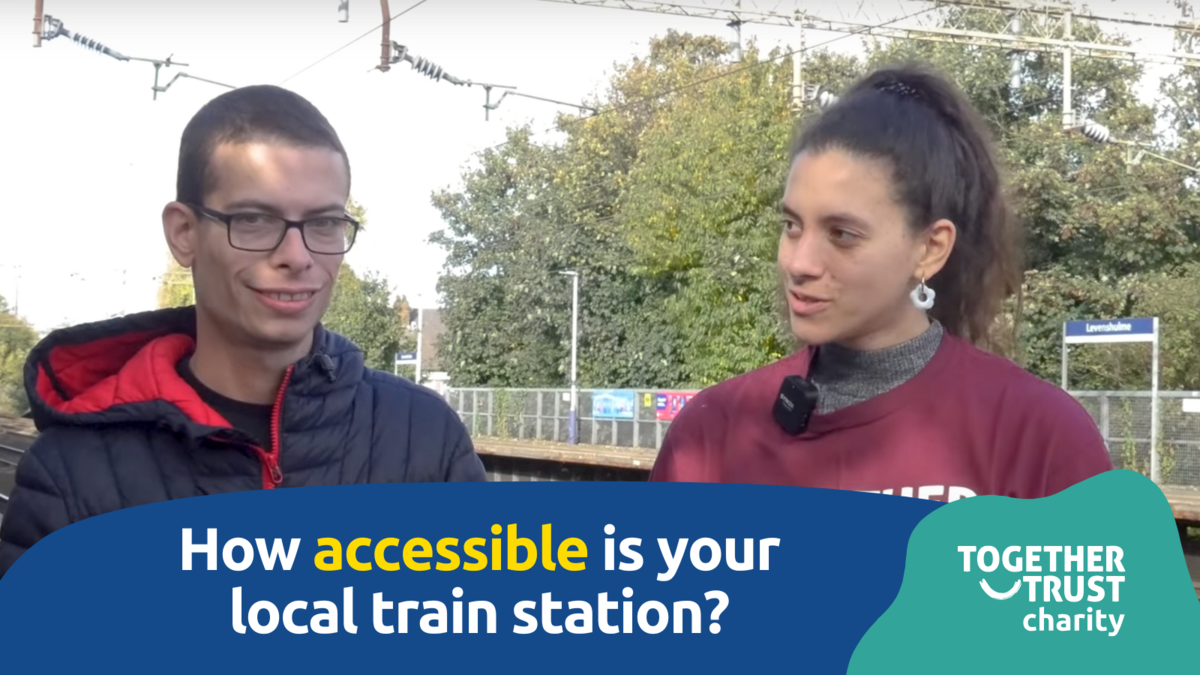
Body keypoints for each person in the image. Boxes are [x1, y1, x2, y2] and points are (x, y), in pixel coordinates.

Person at [0, 85, 486, 578]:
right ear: (184, 234)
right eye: (254, 220)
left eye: (323, 223)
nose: (297, 256)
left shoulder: (424, 437)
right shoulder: (72, 474)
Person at [649, 63, 1113, 499]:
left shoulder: (1038, 435)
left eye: (843, 234)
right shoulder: (710, 435)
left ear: (930, 248)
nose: (800, 262)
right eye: (792, 225)